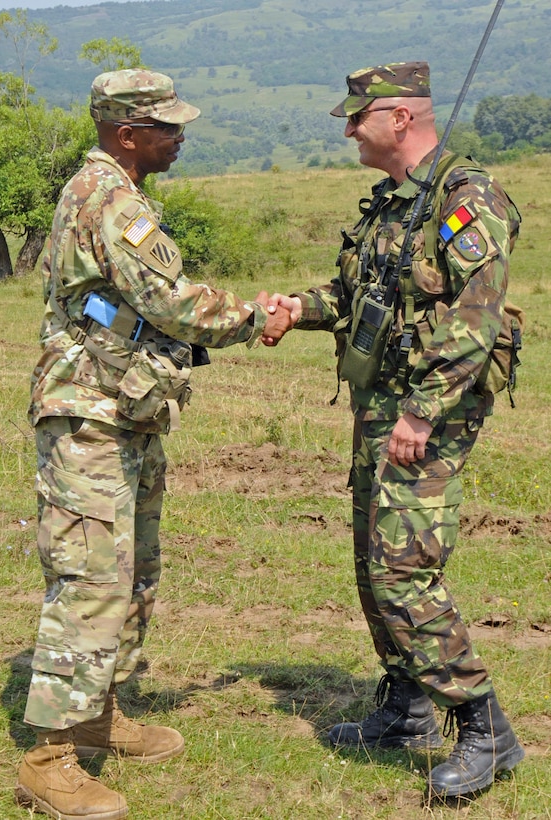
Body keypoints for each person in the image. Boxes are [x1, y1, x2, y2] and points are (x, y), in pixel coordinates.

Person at [15, 68, 292, 820]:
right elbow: (169, 301)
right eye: (166, 126)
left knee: (133, 570)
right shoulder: (106, 200)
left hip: (124, 408)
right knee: (91, 578)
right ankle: (47, 758)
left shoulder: (121, 196)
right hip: (89, 416)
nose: (179, 136)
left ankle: (97, 714)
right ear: (126, 133)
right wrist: (253, 317)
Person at [264, 61, 524, 799]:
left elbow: (472, 322)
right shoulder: (392, 206)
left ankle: (484, 730)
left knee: (403, 569)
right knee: (368, 559)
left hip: (426, 416)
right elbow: (356, 296)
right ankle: (406, 707)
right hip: (379, 408)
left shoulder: (467, 199)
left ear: (400, 119)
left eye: (358, 117)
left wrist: (419, 412)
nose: (348, 129)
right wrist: (293, 308)